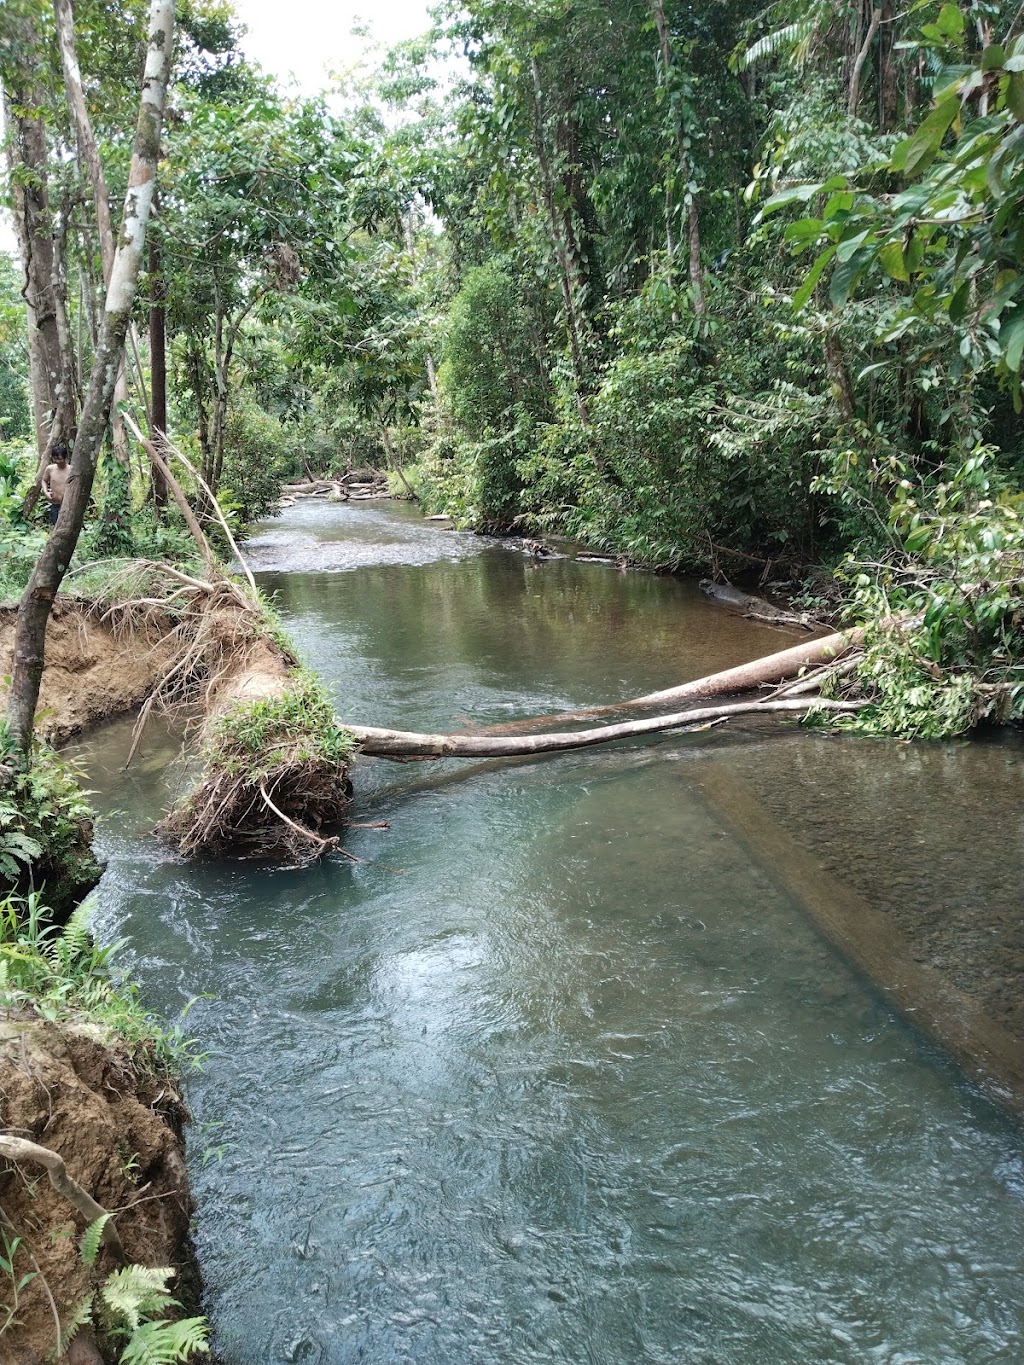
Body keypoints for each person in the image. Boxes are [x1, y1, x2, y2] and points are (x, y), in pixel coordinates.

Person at [41, 442, 70, 527]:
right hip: (55, 504)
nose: (58, 461)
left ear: (65, 458)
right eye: (55, 459)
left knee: (66, 527)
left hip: (67, 505)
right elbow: (44, 480)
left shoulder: (71, 470)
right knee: (55, 526)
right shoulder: (50, 469)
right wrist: (46, 492)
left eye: (60, 459)